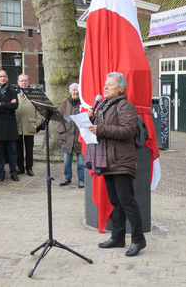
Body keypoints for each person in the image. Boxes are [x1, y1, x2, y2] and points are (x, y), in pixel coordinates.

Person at [86, 72, 146, 257]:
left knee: (127, 202)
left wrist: (100, 128)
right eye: (105, 84)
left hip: (121, 161)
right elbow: (102, 130)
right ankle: (118, 238)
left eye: (109, 84)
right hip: (108, 161)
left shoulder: (125, 105)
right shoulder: (103, 107)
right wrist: (91, 120)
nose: (105, 87)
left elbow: (127, 131)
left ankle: (138, 240)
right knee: (116, 202)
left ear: (120, 89)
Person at [0, 70, 19, 182]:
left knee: (12, 151)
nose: (2, 78)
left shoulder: (13, 91)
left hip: (10, 126)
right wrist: (8, 106)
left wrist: (1, 104)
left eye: (4, 76)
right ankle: (1, 172)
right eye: (0, 76)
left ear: (7, 78)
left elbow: (15, 106)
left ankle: (13, 172)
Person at [15, 74, 43, 176]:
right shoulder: (14, 95)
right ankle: (20, 167)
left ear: (28, 82)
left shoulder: (34, 95)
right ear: (18, 83)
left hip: (30, 125)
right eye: (21, 81)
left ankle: (29, 168)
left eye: (25, 81)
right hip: (18, 125)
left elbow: (39, 113)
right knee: (19, 148)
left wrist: (36, 124)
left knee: (29, 149)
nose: (23, 82)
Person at [58, 83, 84, 188]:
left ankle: (81, 180)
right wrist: (62, 132)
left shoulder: (83, 104)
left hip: (79, 138)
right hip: (67, 137)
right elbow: (59, 120)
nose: (76, 92)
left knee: (81, 162)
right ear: (70, 91)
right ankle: (67, 178)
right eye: (74, 90)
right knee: (66, 161)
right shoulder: (64, 103)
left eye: (77, 90)